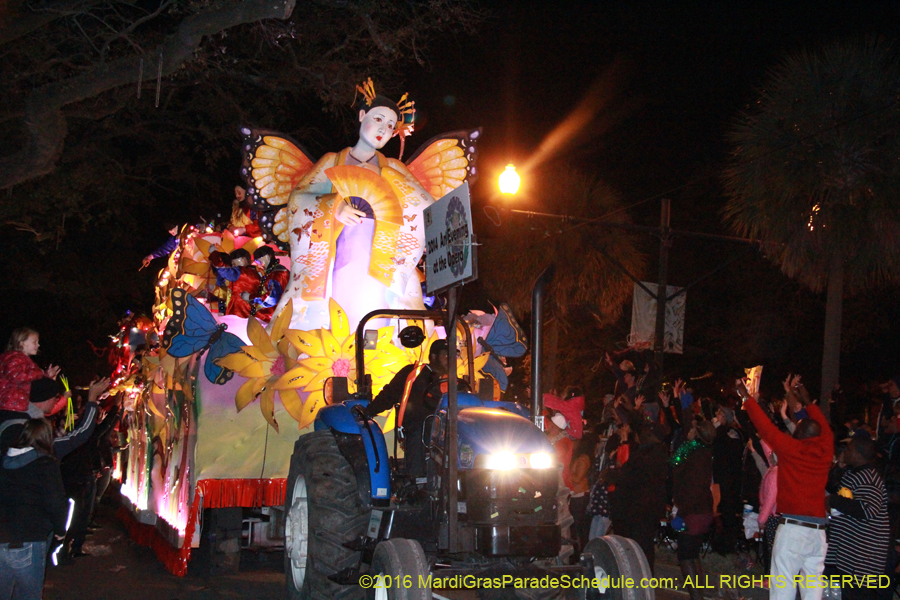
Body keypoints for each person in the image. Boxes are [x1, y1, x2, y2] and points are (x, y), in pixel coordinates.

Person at [270, 82, 431, 334]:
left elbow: (425, 207)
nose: (383, 129)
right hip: (337, 246)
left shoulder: (395, 169)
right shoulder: (333, 161)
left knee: (376, 312)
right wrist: (334, 207)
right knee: (337, 308)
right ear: (361, 116)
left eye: (390, 126)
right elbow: (298, 199)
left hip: (381, 250)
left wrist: (392, 196)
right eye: (378, 119)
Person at [742, 377, 833, 600]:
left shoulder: (792, 450)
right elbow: (824, 426)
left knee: (782, 588)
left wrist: (746, 399)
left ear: (799, 435)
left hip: (793, 529)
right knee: (813, 590)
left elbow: (765, 428)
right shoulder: (826, 449)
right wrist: (806, 399)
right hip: (818, 533)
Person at [0, 418, 68, 600]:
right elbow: (56, 501)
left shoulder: (2, 460)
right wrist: (60, 531)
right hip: (30, 537)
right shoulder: (45, 465)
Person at [363, 339, 450, 478]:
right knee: (420, 433)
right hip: (418, 426)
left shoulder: (456, 381)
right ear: (434, 357)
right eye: (447, 355)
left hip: (447, 428)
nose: (452, 360)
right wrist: (368, 411)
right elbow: (389, 395)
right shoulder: (412, 373)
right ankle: (416, 482)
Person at [825, 434, 890, 600]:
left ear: (858, 454)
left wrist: (834, 501)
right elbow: (831, 486)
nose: (845, 451)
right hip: (850, 556)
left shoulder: (869, 479)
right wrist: (839, 466)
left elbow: (868, 510)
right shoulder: (853, 473)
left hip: (862, 559)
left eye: (849, 449)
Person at [607, 421, 668, 572]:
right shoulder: (656, 454)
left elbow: (629, 476)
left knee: (640, 547)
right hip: (645, 507)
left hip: (640, 508)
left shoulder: (648, 455)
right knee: (643, 546)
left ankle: (642, 578)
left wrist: (613, 474)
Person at [672, 419, 717, 600]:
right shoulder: (705, 452)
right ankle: (699, 595)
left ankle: (696, 596)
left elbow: (675, 463)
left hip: (692, 512)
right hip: (701, 510)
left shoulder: (695, 453)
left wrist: (682, 513)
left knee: (685, 556)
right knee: (693, 554)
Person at [0, 328, 59, 414]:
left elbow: (29, 376)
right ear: (22, 343)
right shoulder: (15, 358)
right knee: (36, 415)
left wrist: (45, 375)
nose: (38, 345)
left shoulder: (22, 359)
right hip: (12, 403)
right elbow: (17, 376)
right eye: (34, 342)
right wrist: (40, 373)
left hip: (17, 401)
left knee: (37, 413)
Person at [210, 248, 261, 318]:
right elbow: (229, 295)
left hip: (239, 314)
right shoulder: (256, 274)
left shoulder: (242, 273)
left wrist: (213, 254)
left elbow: (222, 269)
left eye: (234, 264)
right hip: (248, 315)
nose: (233, 266)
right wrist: (215, 290)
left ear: (244, 260)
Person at [249, 246, 289, 322]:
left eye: (259, 261)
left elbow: (272, 298)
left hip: (274, 317)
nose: (259, 265)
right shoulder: (271, 273)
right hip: (272, 317)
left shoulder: (277, 273)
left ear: (268, 256)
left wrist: (252, 297)